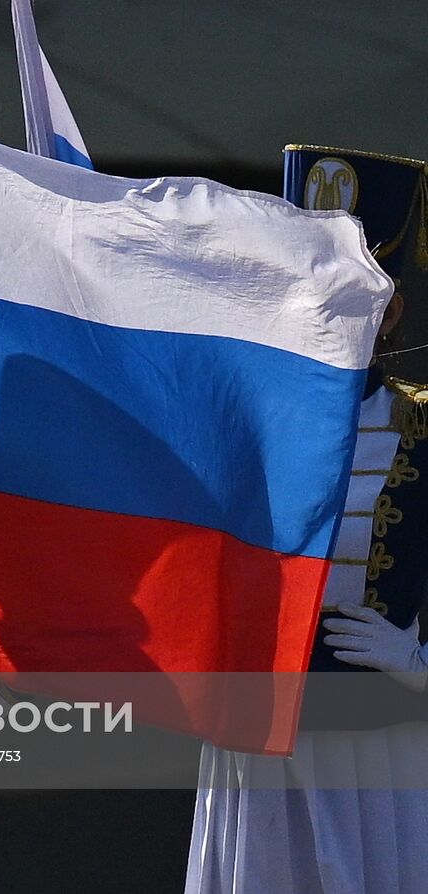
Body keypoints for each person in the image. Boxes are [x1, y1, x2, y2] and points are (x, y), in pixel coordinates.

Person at [184, 146, 428, 893]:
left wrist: (420, 667)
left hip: (379, 730)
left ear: (390, 308)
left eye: (357, 290)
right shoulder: (235, 418)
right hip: (257, 723)